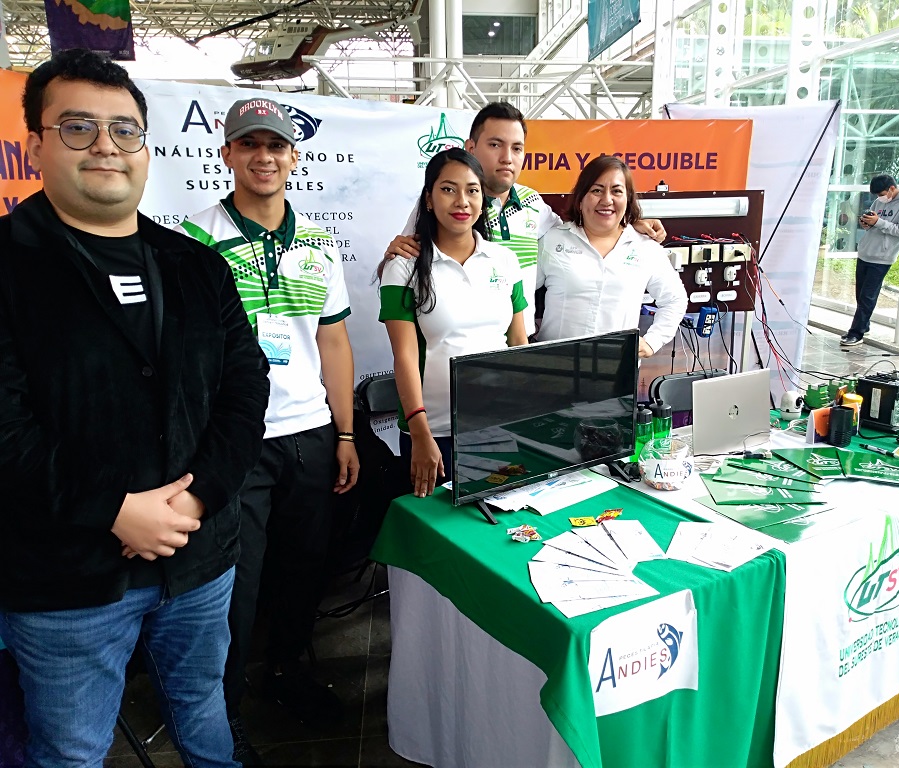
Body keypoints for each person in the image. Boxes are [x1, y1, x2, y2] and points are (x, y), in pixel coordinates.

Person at [0, 49, 270, 766]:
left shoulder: (197, 266)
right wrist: (112, 509)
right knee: (69, 752)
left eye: (125, 131)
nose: (106, 148)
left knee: (205, 715)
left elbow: (246, 391)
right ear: (36, 144)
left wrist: (199, 498)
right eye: (79, 127)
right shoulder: (9, 267)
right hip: (64, 580)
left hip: (200, 559)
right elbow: (4, 429)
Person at [177, 98, 359, 762]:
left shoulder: (315, 241)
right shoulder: (195, 240)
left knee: (303, 572)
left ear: (294, 158)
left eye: (276, 146)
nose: (264, 157)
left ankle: (289, 674)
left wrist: (344, 435)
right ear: (225, 155)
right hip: (235, 444)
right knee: (236, 586)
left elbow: (334, 344)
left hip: (309, 433)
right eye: (249, 145)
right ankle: (220, 716)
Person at [384, 101, 666, 333]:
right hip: (461, 339)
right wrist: (391, 256)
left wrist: (626, 224)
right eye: (495, 145)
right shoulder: (448, 206)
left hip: (522, 339)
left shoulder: (534, 204)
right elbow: (404, 266)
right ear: (471, 149)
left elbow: (580, 232)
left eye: (516, 148)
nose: (507, 157)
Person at [379, 148, 528, 498]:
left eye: (472, 190)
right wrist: (420, 433)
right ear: (429, 199)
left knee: (498, 530)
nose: (462, 201)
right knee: (436, 537)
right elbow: (404, 358)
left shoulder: (505, 261)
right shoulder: (404, 266)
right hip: (434, 433)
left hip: (500, 427)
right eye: (448, 189)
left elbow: (518, 344)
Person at [535, 155, 687, 357]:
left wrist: (653, 341)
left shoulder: (645, 248)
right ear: (580, 200)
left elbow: (675, 299)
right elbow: (519, 292)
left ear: (627, 200)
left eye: (616, 191)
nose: (607, 200)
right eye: (597, 190)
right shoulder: (553, 241)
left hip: (616, 370)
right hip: (556, 366)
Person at [841, 174, 899, 347]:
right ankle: (864, 325)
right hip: (866, 252)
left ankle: (856, 333)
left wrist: (879, 222)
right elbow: (874, 219)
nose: (880, 198)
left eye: (881, 194)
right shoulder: (879, 202)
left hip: (882, 257)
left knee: (867, 296)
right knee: (860, 294)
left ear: (892, 188)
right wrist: (867, 223)